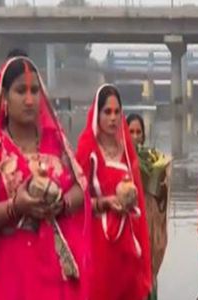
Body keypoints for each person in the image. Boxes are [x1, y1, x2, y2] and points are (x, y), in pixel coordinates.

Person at [0, 56, 91, 300]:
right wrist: (17, 207)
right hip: (15, 274)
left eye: (34, 90)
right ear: (4, 97)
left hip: (60, 271)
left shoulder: (57, 143)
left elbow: (82, 188)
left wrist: (63, 204)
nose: (29, 100)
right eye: (20, 91)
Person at [76, 84, 152, 299]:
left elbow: (140, 208)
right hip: (98, 246)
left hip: (126, 246)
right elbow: (75, 202)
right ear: (96, 114)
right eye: (107, 112)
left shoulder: (127, 152)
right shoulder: (88, 151)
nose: (113, 118)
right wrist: (104, 203)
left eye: (117, 112)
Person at [127, 113, 170, 300]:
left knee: (148, 279)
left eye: (138, 132)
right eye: (131, 132)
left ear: (144, 136)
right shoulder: (119, 162)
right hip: (128, 232)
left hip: (148, 231)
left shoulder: (152, 160)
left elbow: (161, 201)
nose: (135, 136)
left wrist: (162, 182)